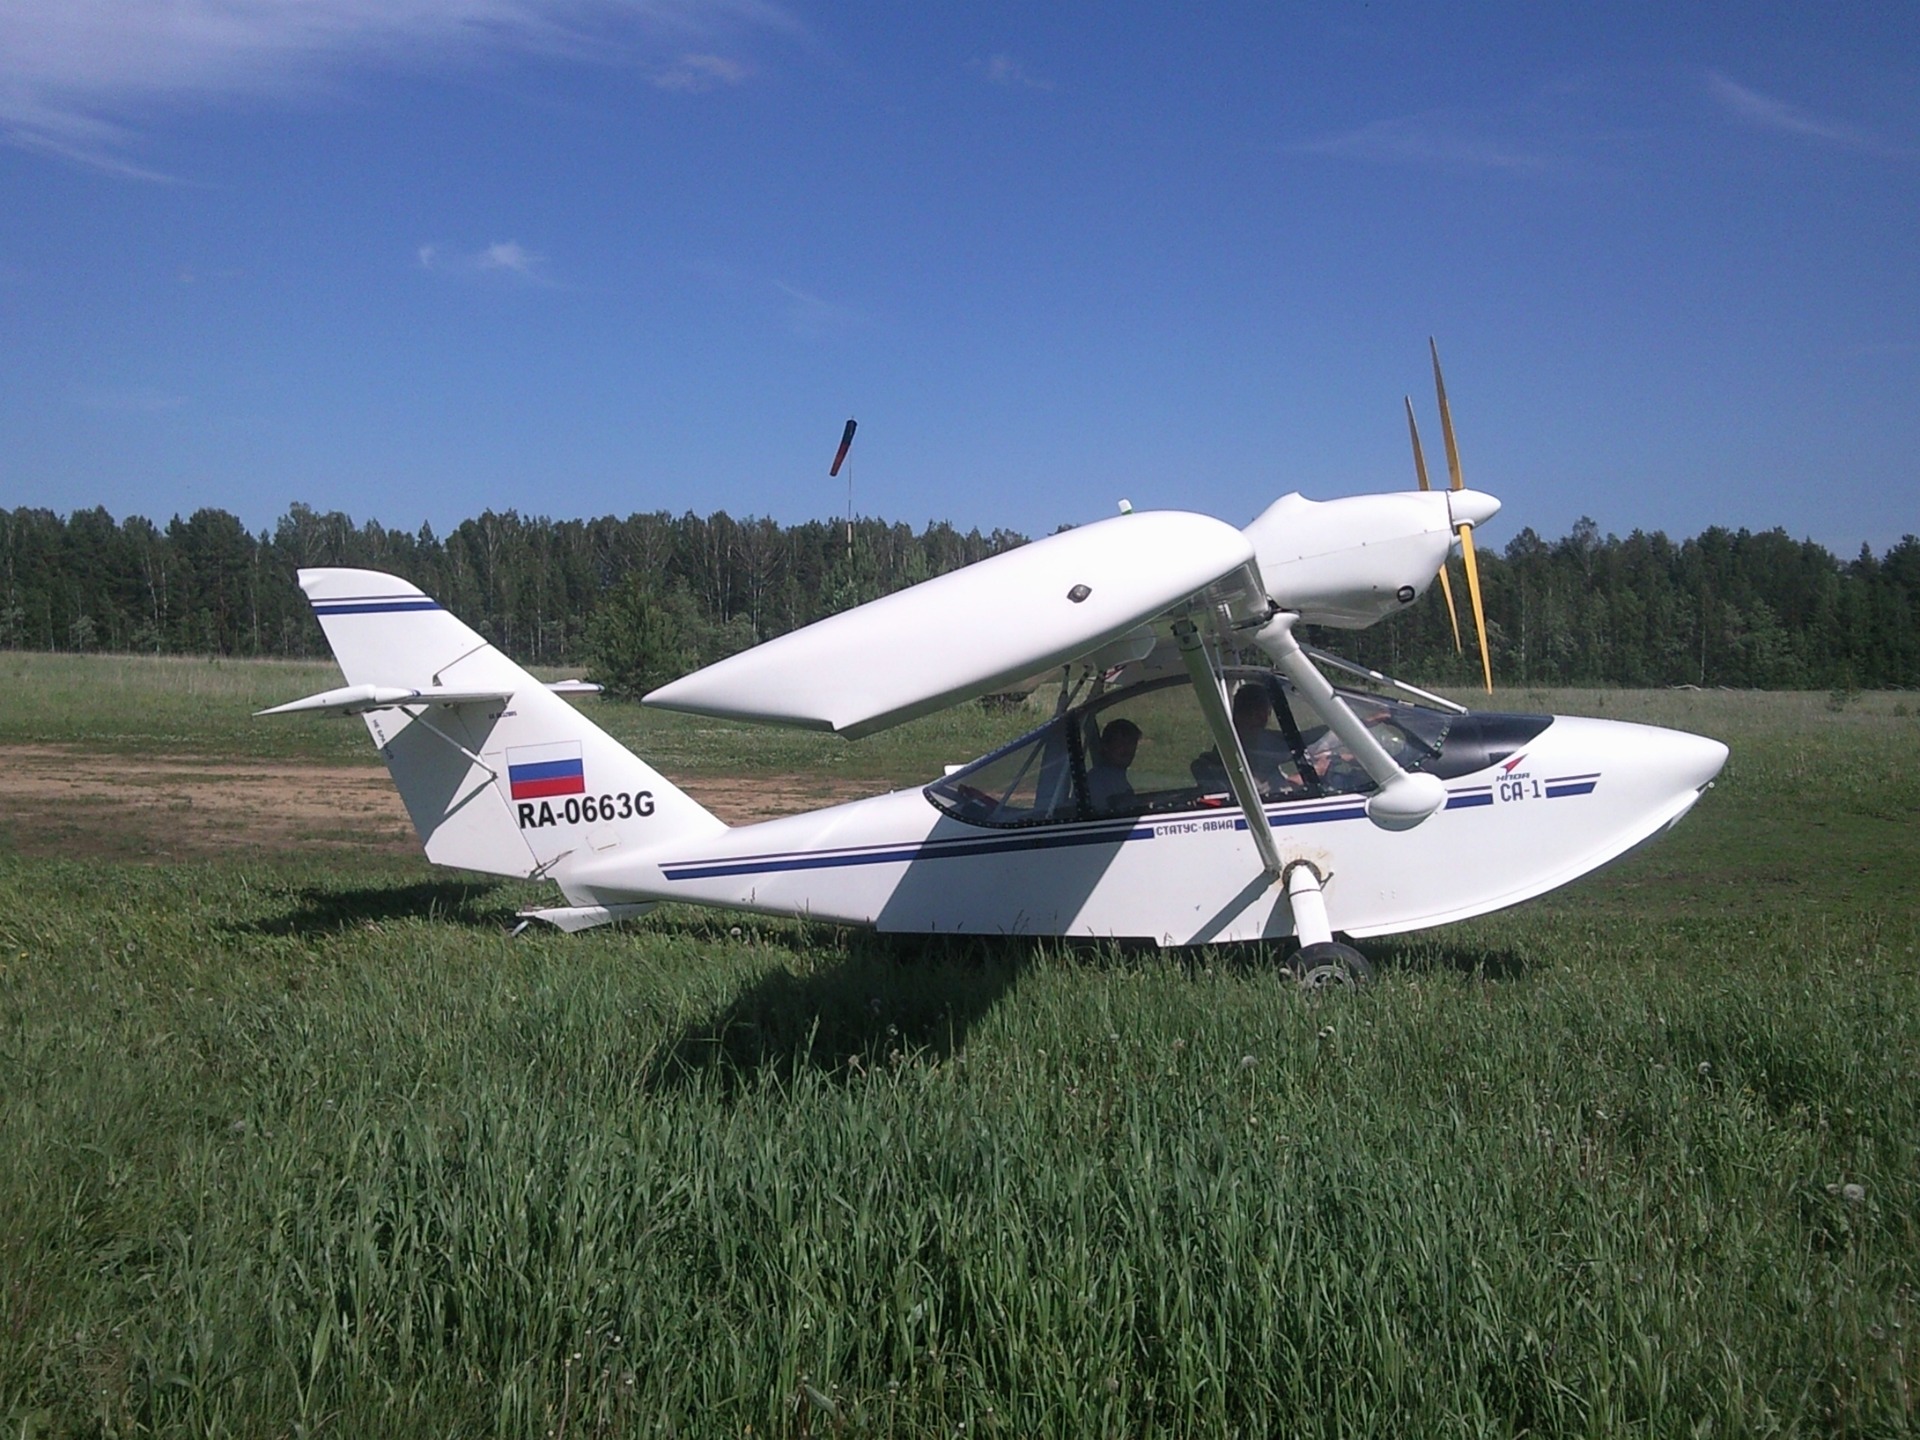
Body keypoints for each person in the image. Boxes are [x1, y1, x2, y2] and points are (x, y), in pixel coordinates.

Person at [1193, 683, 1304, 797]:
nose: (1265, 718)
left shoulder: (1229, 740)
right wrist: (1318, 769)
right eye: (1266, 711)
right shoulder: (1253, 741)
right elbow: (1300, 742)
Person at [1085, 717, 1141, 814]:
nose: (1126, 749)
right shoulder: (1097, 781)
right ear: (1106, 746)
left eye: (1131, 743)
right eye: (1121, 743)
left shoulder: (1116, 778)